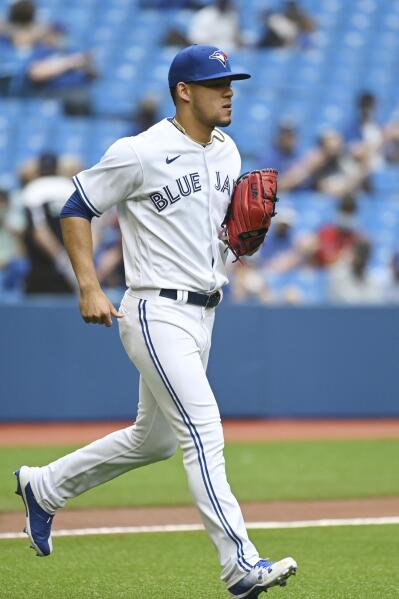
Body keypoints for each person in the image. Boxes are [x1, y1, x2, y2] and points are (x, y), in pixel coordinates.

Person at [15, 45, 297, 597]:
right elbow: (76, 205)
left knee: (155, 441)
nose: (228, 91)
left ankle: (44, 487)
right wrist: (90, 284)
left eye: (230, 82)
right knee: (203, 430)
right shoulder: (141, 152)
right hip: (154, 310)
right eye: (216, 83)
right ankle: (240, 564)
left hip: (204, 312)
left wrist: (238, 244)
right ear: (183, 91)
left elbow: (221, 237)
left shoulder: (228, 151)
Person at [22, 152, 77, 294]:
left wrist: (61, 259)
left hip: (42, 267)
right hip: (73, 264)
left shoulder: (33, 189)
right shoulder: (69, 187)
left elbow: (40, 232)